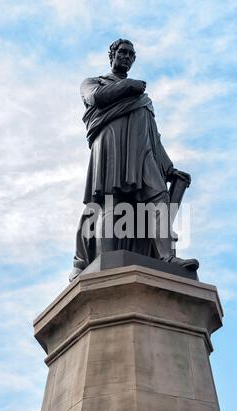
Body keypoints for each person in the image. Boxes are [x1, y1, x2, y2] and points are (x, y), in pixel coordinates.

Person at [69, 39, 198, 282]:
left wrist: (169, 169)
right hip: (112, 148)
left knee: (159, 197)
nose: (126, 57)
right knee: (112, 203)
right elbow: (96, 98)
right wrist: (129, 86)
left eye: (131, 54)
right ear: (112, 55)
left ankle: (166, 256)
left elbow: (153, 137)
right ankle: (106, 258)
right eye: (122, 52)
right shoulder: (94, 82)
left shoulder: (144, 100)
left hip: (142, 154)